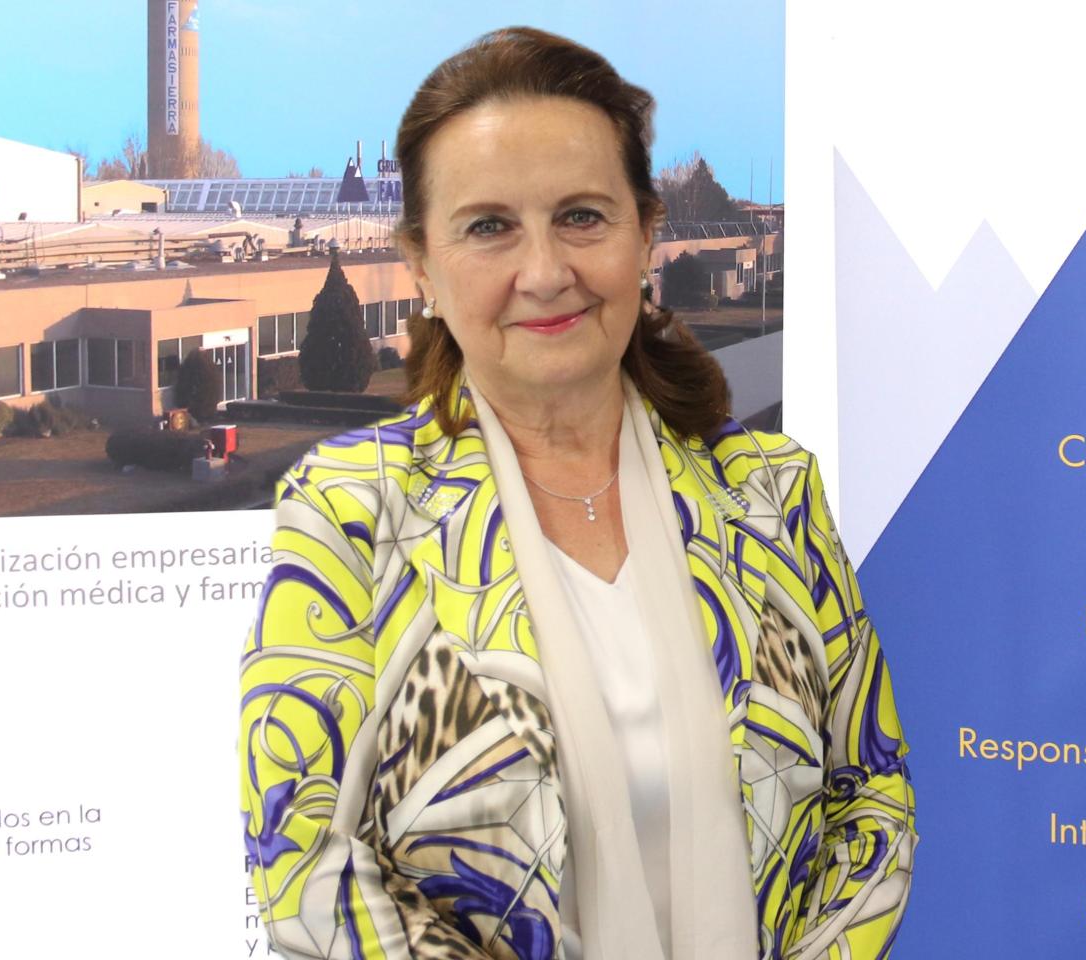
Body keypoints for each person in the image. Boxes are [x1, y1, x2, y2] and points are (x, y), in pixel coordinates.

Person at [241, 26, 915, 960]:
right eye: (490, 227)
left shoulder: (772, 491)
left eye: (583, 217)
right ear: (423, 266)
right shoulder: (350, 515)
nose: (546, 272)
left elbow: (871, 797)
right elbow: (306, 864)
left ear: (645, 235)